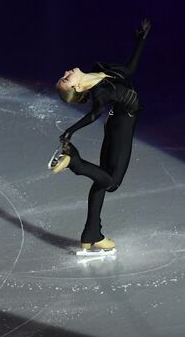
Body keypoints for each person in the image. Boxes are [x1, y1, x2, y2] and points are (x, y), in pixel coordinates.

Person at [52, 19, 151, 254]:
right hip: (123, 123)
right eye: (66, 78)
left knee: (102, 180)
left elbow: (128, 70)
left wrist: (140, 40)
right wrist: (71, 131)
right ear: (77, 88)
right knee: (112, 183)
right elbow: (95, 113)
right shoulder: (100, 90)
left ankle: (91, 233)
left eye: (64, 75)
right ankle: (75, 163)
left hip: (116, 122)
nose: (66, 72)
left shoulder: (100, 72)